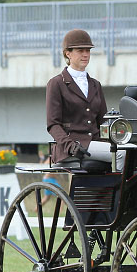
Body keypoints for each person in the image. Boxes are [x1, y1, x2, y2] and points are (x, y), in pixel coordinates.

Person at [46, 29, 117, 169]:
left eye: (88, 50)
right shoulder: (56, 84)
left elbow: (103, 121)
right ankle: (122, 190)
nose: (85, 54)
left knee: (133, 151)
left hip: (96, 143)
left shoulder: (95, 85)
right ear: (68, 53)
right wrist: (71, 146)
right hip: (73, 146)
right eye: (80, 50)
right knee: (121, 154)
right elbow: (53, 124)